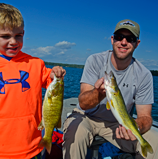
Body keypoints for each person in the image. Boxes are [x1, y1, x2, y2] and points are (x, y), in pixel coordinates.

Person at [0, 3, 66, 159]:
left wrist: (55, 74)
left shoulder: (35, 64)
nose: (13, 41)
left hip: (33, 147)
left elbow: (50, 80)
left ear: (23, 33)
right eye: (6, 36)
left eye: (18, 35)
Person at [62, 19, 153, 159]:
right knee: (75, 134)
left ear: (137, 43)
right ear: (112, 39)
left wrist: (137, 128)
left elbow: (145, 117)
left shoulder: (144, 75)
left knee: (154, 145)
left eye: (130, 39)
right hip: (86, 116)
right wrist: (98, 94)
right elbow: (83, 103)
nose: (123, 42)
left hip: (118, 124)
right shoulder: (95, 60)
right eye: (119, 37)